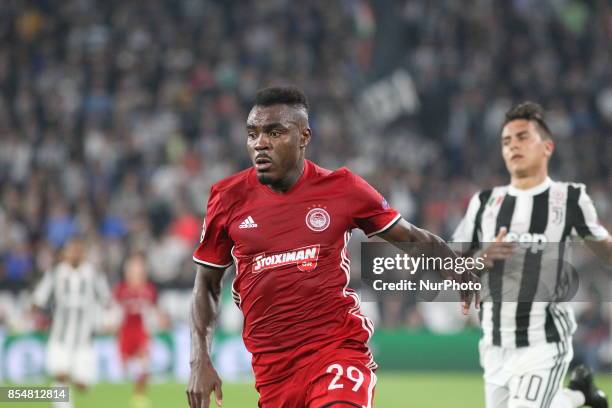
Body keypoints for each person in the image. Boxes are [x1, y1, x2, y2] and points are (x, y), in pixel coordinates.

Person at [186, 86, 478, 408]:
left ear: (304, 137)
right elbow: (208, 284)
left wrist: (457, 268)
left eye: (274, 132)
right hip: (273, 370)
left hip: (335, 350)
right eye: (252, 134)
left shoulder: (342, 188)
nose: (260, 144)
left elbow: (409, 236)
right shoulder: (227, 197)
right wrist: (200, 358)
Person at [452, 102, 612, 408]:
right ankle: (579, 393)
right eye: (506, 141)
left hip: (543, 341)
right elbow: (452, 264)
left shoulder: (570, 199)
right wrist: (479, 259)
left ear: (547, 147)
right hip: (495, 344)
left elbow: (605, 250)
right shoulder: (484, 203)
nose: (513, 146)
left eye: (523, 137)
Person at [32, 238, 111, 408]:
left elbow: (106, 299)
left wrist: (103, 319)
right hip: (60, 337)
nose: (74, 253)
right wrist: (39, 316)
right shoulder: (55, 273)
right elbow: (38, 299)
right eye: (71, 249)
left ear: (83, 253)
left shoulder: (93, 274)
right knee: (60, 375)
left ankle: (70, 385)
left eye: (78, 249)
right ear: (65, 253)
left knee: (83, 386)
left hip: (84, 341)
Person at [113, 252, 165, 408]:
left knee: (144, 365)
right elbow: (113, 310)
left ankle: (139, 397)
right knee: (124, 370)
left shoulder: (149, 289)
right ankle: (129, 395)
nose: (136, 272)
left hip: (142, 332)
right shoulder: (120, 289)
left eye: (139, 268)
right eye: (133, 268)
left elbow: (154, 309)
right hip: (125, 332)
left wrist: (160, 319)